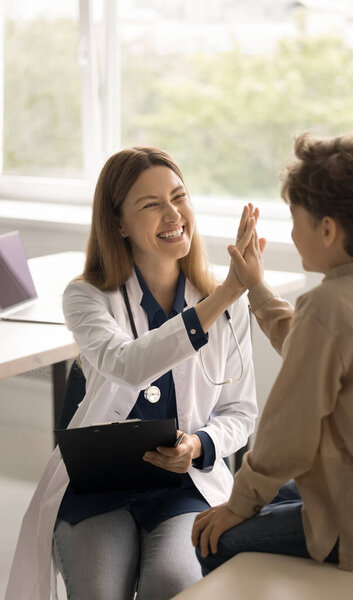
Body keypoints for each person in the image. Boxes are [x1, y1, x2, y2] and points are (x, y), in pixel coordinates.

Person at [5, 147, 259, 600]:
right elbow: (129, 364)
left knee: (173, 586)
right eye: (150, 204)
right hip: (96, 485)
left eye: (178, 196)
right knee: (100, 593)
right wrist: (225, 295)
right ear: (118, 224)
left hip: (186, 485)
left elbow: (241, 411)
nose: (172, 214)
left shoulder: (227, 301)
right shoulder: (86, 297)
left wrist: (200, 445)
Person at [192, 131, 353, 574]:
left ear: (327, 229)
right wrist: (255, 285)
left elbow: (287, 435)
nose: (290, 231)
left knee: (214, 538)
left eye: (294, 218)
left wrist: (239, 505)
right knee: (267, 495)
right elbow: (309, 344)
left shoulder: (328, 308)